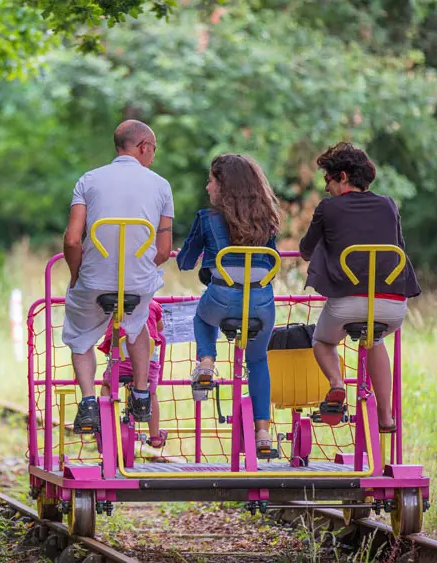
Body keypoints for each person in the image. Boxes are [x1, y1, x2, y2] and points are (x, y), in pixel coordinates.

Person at [299, 142, 420, 433]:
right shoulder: (389, 204)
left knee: (323, 341)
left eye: (327, 179)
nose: (326, 188)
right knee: (375, 339)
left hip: (348, 301)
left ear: (342, 176)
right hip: (393, 304)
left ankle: (337, 383)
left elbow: (305, 250)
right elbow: (398, 247)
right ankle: (386, 417)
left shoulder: (328, 208)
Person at [63, 120, 174, 434]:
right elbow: (164, 250)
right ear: (143, 147)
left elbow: (72, 241)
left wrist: (76, 276)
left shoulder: (88, 180)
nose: (153, 156)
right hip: (137, 283)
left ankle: (87, 401)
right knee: (138, 323)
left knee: (81, 335)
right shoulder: (161, 185)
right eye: (153, 149)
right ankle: (140, 393)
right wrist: (138, 268)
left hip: (93, 281)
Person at [175, 154, 281, 454]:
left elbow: (184, 262)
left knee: (202, 318)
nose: (208, 187)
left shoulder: (206, 218)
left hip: (221, 297)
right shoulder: (267, 220)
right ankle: (263, 433)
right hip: (261, 301)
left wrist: (186, 253)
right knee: (258, 361)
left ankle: (207, 362)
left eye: (211, 181)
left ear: (223, 185)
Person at [96, 299, 167, 448]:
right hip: (148, 363)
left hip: (122, 361)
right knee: (151, 393)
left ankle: (108, 425)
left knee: (107, 384)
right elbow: (160, 327)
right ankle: (155, 437)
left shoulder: (116, 304)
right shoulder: (153, 305)